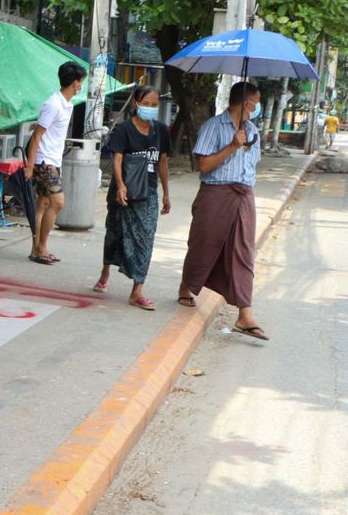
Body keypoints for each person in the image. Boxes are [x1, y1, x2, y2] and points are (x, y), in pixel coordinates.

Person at [177, 81, 268, 340]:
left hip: (244, 194)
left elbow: (252, 164)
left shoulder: (252, 130)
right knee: (204, 244)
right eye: (256, 101)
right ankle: (187, 285)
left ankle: (245, 314)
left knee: (243, 252)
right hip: (216, 192)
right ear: (245, 102)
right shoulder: (213, 126)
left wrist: (245, 146)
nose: (257, 106)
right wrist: (232, 147)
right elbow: (203, 165)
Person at [93, 86, 171, 310]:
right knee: (115, 235)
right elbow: (117, 159)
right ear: (136, 103)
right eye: (146, 103)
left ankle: (137, 291)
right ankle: (105, 271)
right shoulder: (124, 129)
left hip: (147, 193)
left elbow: (163, 162)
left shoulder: (162, 131)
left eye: (155, 104)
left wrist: (166, 193)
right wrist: (120, 186)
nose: (150, 108)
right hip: (123, 193)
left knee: (145, 239)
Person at [24, 61, 86, 264]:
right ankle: (41, 247)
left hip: (53, 159)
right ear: (75, 83)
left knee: (42, 203)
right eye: (81, 81)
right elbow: (36, 136)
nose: (81, 85)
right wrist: (31, 166)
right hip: (44, 161)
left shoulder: (65, 104)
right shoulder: (53, 104)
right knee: (58, 202)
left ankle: (37, 249)